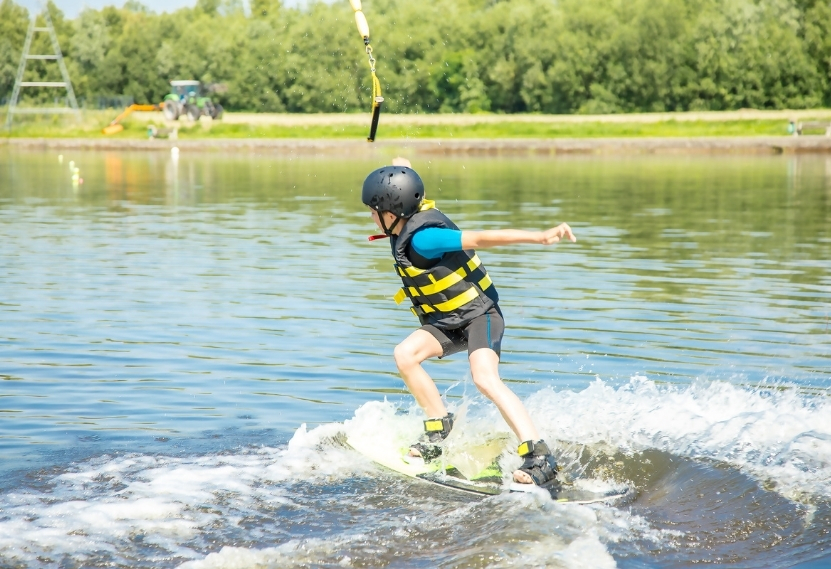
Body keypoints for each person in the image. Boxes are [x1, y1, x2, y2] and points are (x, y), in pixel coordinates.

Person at [362, 159, 577, 488]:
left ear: (392, 212)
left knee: (484, 379)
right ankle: (439, 428)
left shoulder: (424, 239)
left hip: (480, 317)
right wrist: (399, 166)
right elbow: (405, 179)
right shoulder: (404, 219)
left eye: (374, 209)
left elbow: (482, 237)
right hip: (446, 322)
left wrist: (538, 237)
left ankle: (540, 456)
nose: (371, 216)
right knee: (405, 354)